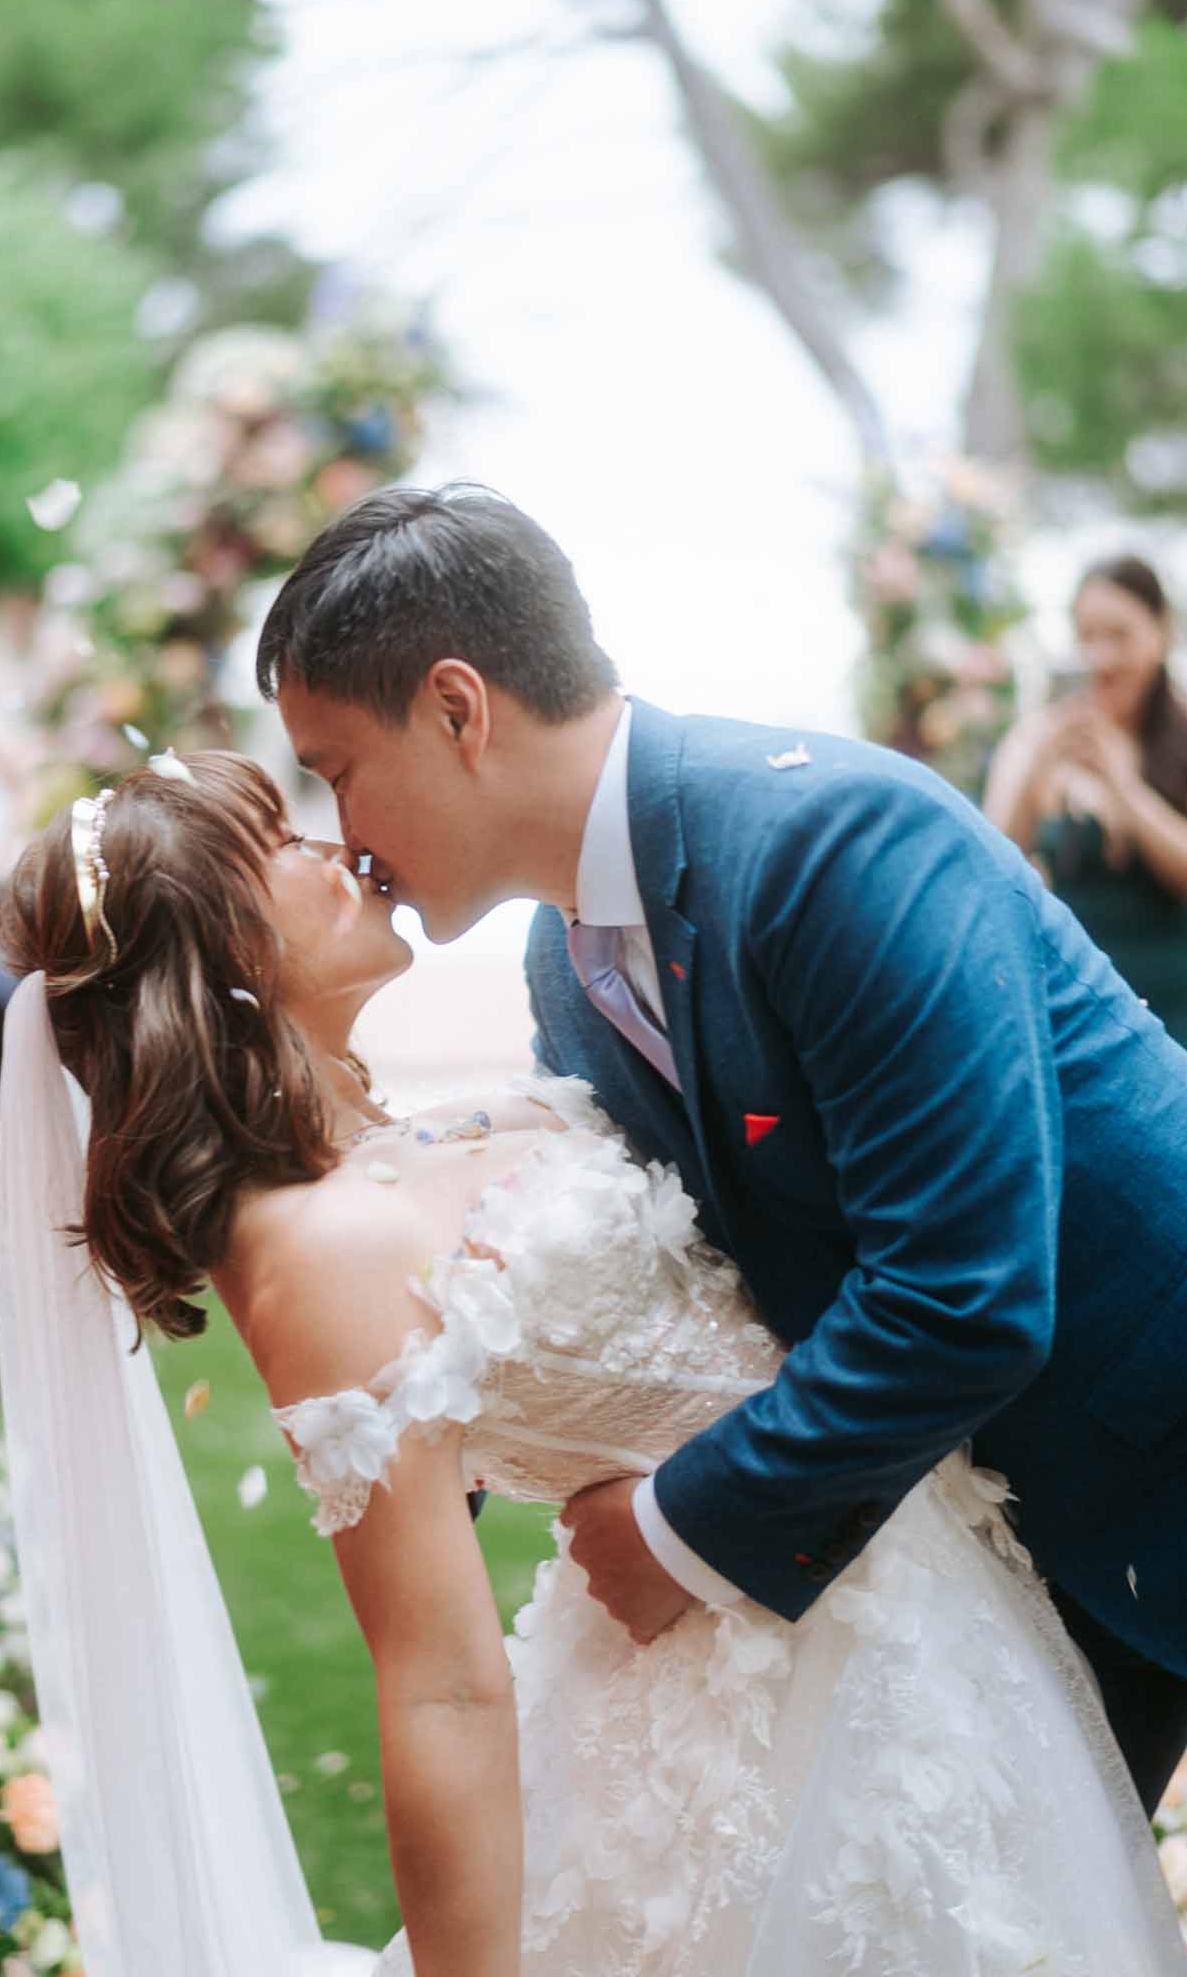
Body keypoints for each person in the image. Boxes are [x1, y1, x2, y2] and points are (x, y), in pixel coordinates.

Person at [0, 750, 1185, 1976]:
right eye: (275, 845)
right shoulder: (313, 1257)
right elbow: (439, 1684)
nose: (328, 843)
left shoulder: (388, 1143)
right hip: (766, 1733)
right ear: (219, 951)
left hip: (906, 1620)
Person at [257, 484, 1187, 1829]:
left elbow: (963, 1290)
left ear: (458, 709)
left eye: (335, 768)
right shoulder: (563, 966)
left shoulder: (831, 844)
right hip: (981, 1539)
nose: (341, 831)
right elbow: (682, 1271)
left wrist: (681, 1529)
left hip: (1145, 1449)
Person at [984, 554, 1187, 1043]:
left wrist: (1123, 788)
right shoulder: (1038, 740)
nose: (1103, 657)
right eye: (1087, 637)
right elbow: (992, 867)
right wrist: (1033, 762)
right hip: (1081, 1019)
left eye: (1119, 635)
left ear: (1160, 631)